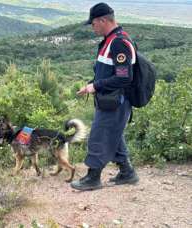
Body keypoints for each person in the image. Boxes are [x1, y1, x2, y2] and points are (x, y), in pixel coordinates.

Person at [71, 2, 139, 191]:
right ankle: (127, 173)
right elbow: (106, 70)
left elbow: (124, 77)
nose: (92, 27)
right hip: (108, 99)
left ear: (103, 20)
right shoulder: (109, 40)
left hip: (116, 101)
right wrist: (92, 86)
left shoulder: (119, 42)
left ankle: (93, 178)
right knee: (114, 134)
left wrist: (95, 86)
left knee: (98, 135)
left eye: (93, 23)